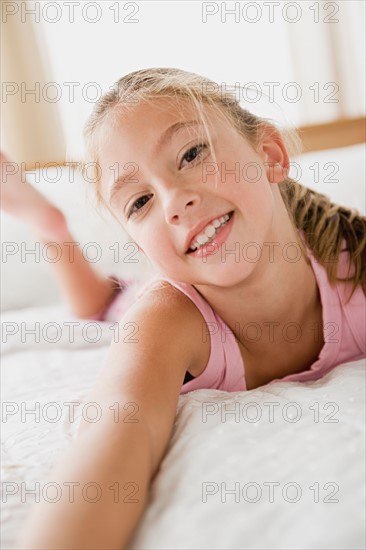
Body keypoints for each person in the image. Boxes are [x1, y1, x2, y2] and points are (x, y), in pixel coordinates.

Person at [1, 67, 364, 549]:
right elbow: (117, 432)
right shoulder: (165, 317)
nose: (173, 201)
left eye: (192, 153)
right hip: (136, 300)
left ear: (271, 155)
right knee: (102, 304)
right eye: (140, 202)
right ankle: (49, 225)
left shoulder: (353, 262)